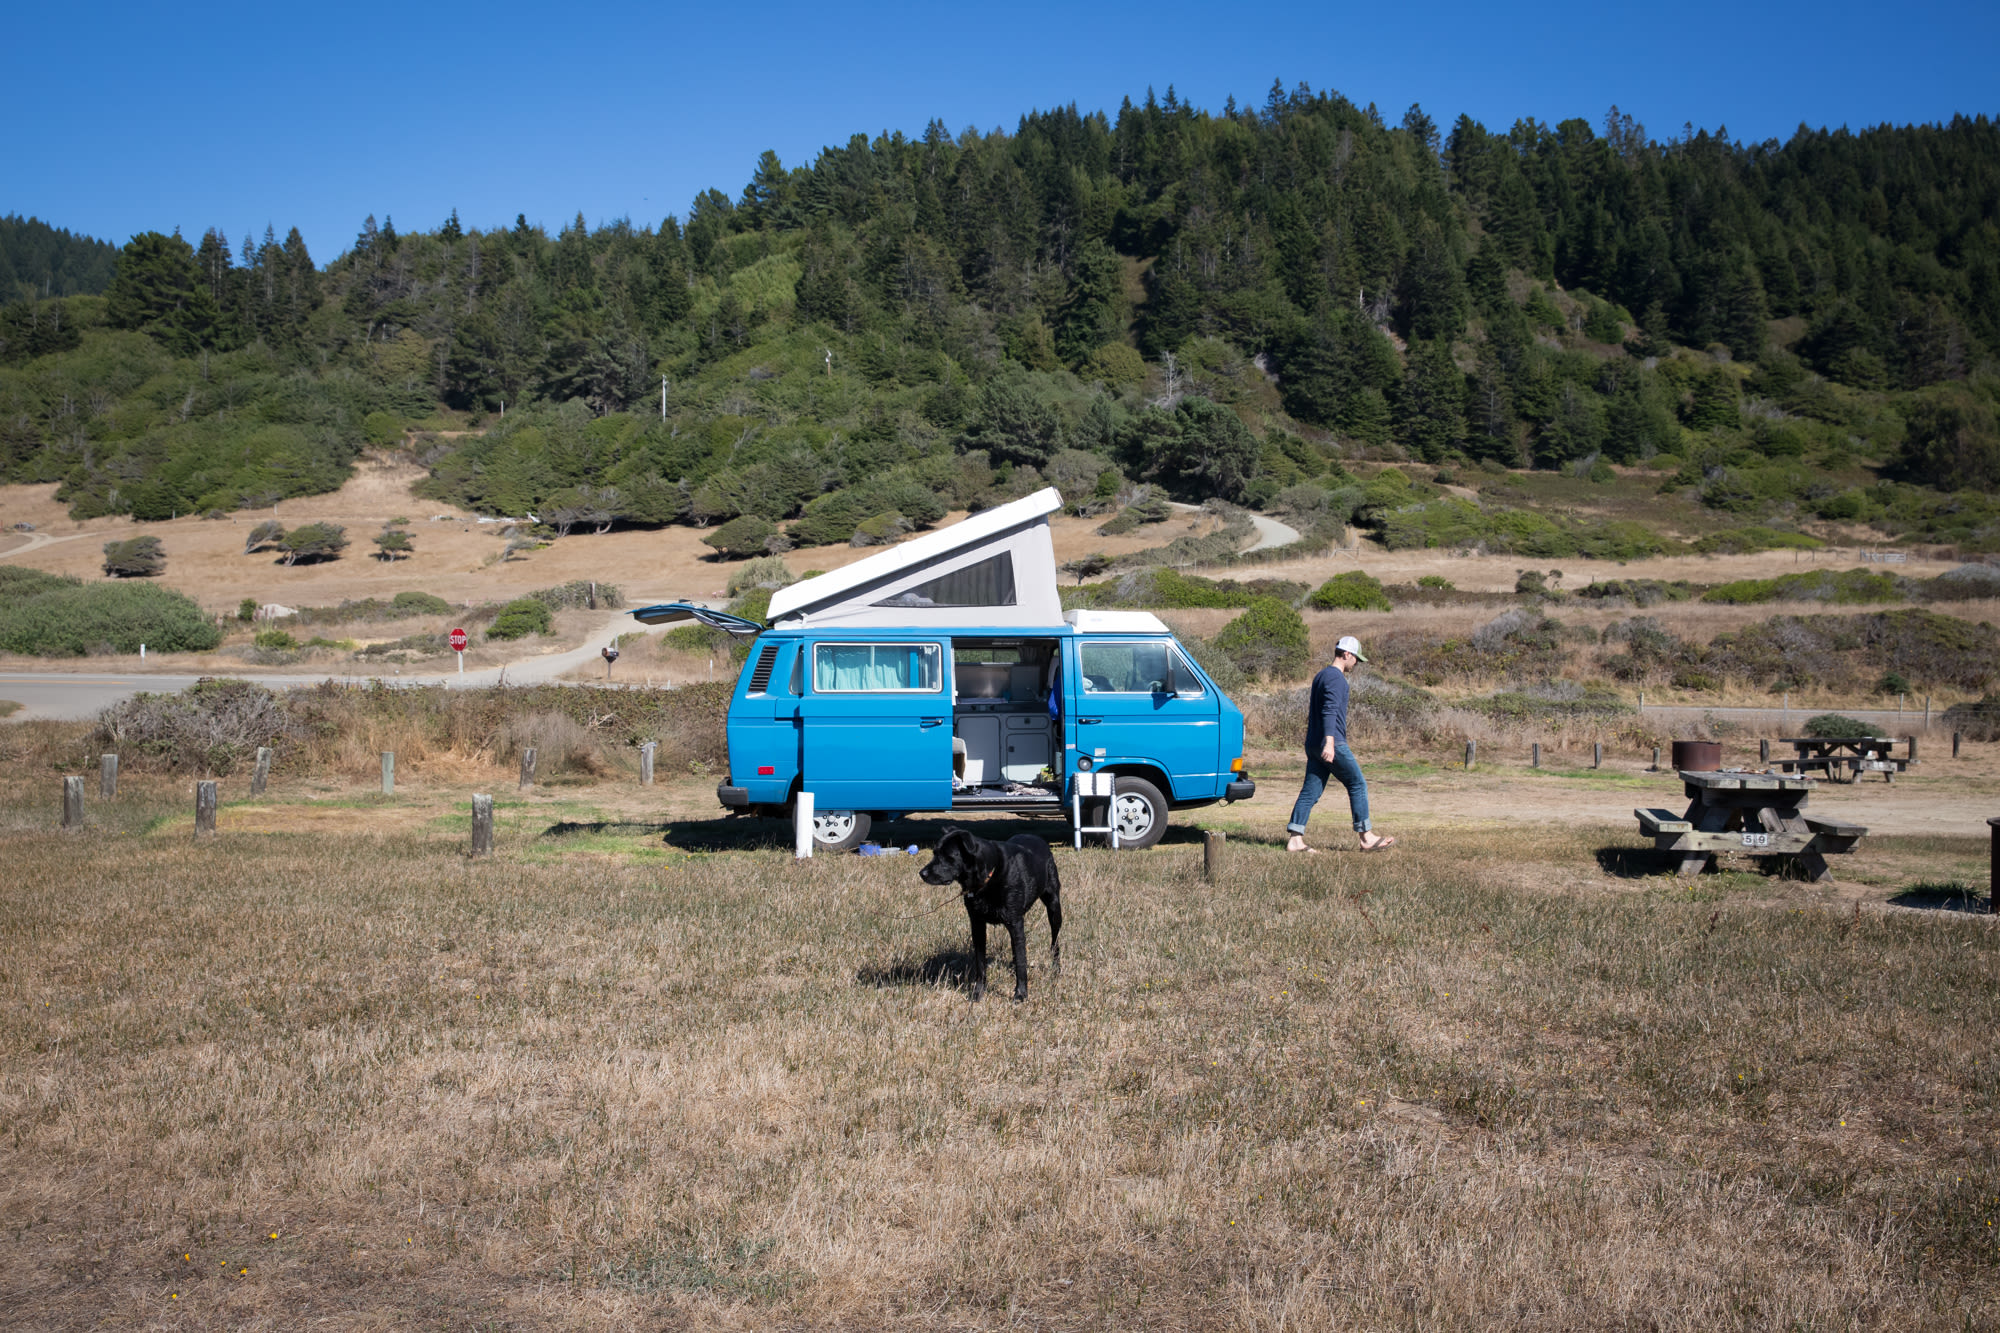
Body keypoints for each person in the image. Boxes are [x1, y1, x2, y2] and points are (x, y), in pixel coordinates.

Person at [1286, 635, 1395, 853]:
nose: (1356, 663)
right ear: (1346, 654)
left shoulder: (1321, 676)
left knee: (1311, 790)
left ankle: (1295, 839)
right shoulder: (1336, 678)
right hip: (1330, 742)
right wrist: (1330, 743)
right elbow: (1329, 711)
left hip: (1313, 743)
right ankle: (1366, 837)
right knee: (1357, 784)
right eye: (1356, 658)